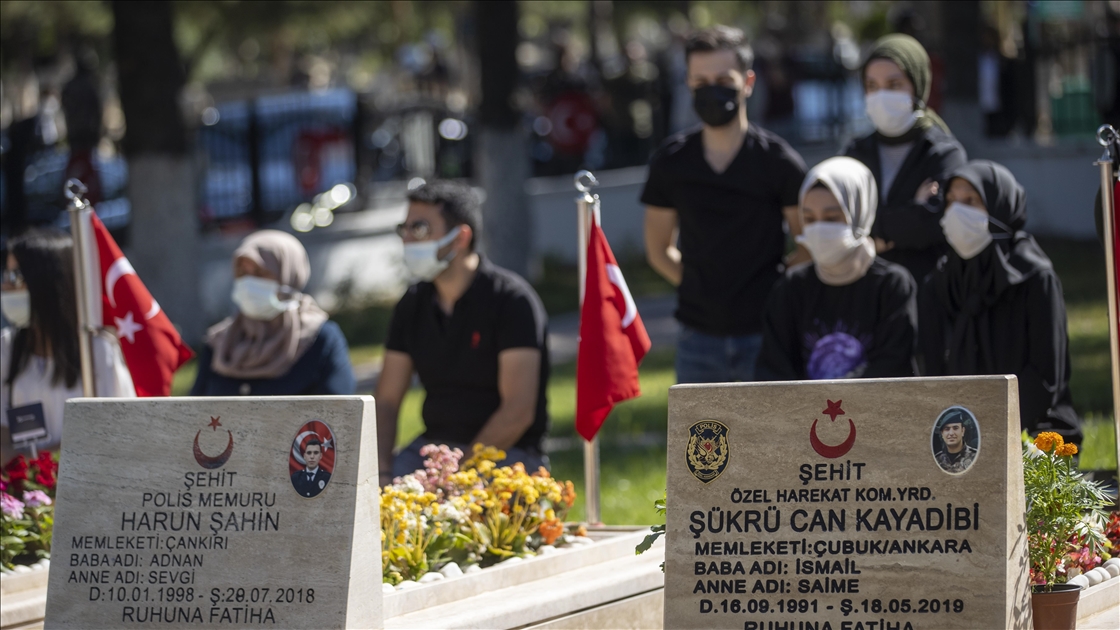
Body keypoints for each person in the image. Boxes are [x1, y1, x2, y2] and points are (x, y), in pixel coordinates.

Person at [642, 25, 808, 384]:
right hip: (696, 340)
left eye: (722, 79)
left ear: (747, 82)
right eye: (700, 81)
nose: (711, 90)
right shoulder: (670, 163)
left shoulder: (779, 163)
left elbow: (808, 245)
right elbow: (657, 250)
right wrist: (699, 286)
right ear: (687, 83)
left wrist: (772, 289)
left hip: (768, 336)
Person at [376, 181, 550, 486]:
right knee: (377, 504)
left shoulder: (512, 300)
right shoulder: (411, 304)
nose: (407, 239)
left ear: (461, 237)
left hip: (507, 454)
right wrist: (380, 472)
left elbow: (518, 411)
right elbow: (386, 401)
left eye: (419, 228)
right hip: (432, 451)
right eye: (404, 228)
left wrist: (457, 479)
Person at [919, 160, 1081, 444]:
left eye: (970, 201)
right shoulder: (940, 282)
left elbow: (1046, 375)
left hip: (1033, 427)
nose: (957, 211)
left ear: (1000, 205)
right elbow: (931, 372)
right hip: (956, 433)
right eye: (951, 201)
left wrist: (993, 430)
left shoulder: (1034, 277)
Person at [757, 157, 917, 381]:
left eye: (831, 218)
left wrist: (835, 397)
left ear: (859, 215)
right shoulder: (791, 288)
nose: (819, 228)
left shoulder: (891, 285)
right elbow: (774, 369)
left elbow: (892, 364)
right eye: (809, 218)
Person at [1, 228, 135, 465]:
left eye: (15, 277)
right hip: (24, 486)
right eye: (5, 275)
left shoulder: (97, 351)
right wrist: (41, 468)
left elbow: (122, 431)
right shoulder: (6, 348)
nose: (5, 286)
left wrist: (39, 463)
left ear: (47, 282)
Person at [843, 34, 967, 285]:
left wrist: (874, 233)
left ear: (917, 86)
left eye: (894, 84)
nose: (881, 95)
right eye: (872, 86)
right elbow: (839, 218)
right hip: (865, 292)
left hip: (925, 292)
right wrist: (911, 211)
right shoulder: (856, 152)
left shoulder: (943, 153)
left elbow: (933, 223)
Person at [191, 230, 354, 396]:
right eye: (243, 273)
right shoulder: (220, 342)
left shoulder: (318, 339)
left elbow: (340, 407)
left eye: (260, 273)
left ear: (289, 275)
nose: (249, 282)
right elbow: (196, 407)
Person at [933, 408, 978, 473]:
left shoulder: (975, 457)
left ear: (962, 431)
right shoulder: (937, 460)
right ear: (942, 434)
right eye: (947, 429)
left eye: (955, 428)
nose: (951, 433)